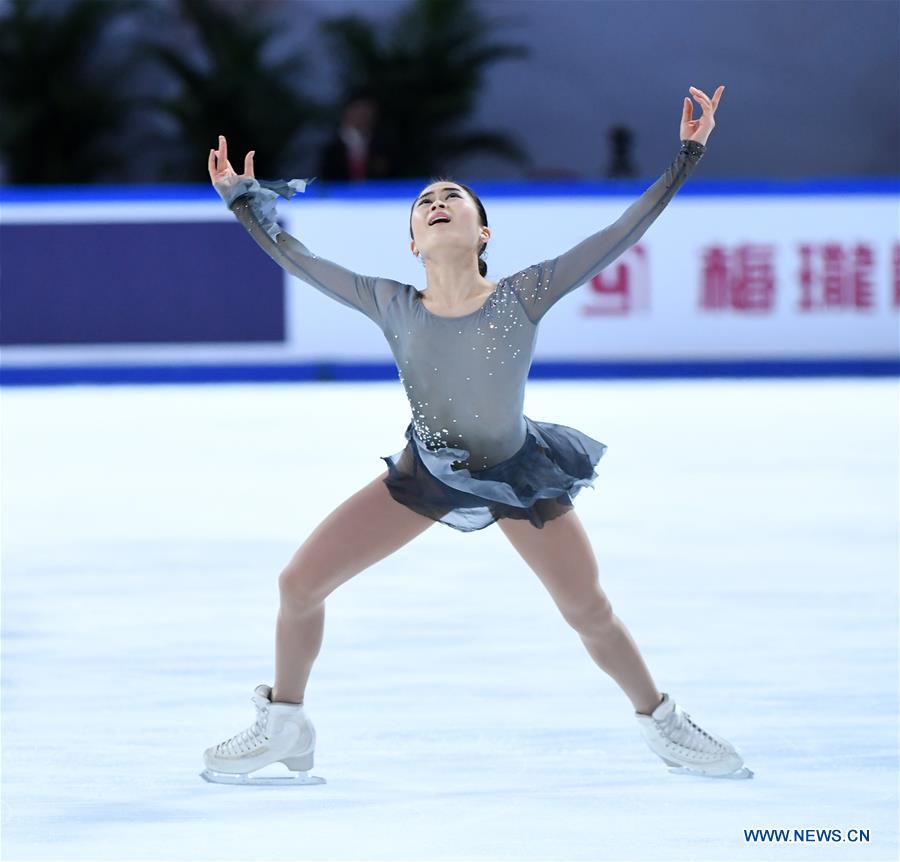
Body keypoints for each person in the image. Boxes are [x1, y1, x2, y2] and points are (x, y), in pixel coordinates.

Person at [202, 84, 750, 785]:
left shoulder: (524, 294)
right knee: (299, 584)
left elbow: (621, 231)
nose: (437, 204)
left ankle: (664, 724)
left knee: (589, 610)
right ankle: (285, 724)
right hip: (425, 472)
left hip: (518, 472)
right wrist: (245, 202)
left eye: (452, 198)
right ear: (411, 240)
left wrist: (686, 156)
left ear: (482, 232)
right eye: (424, 202)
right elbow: (297, 258)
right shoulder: (388, 301)